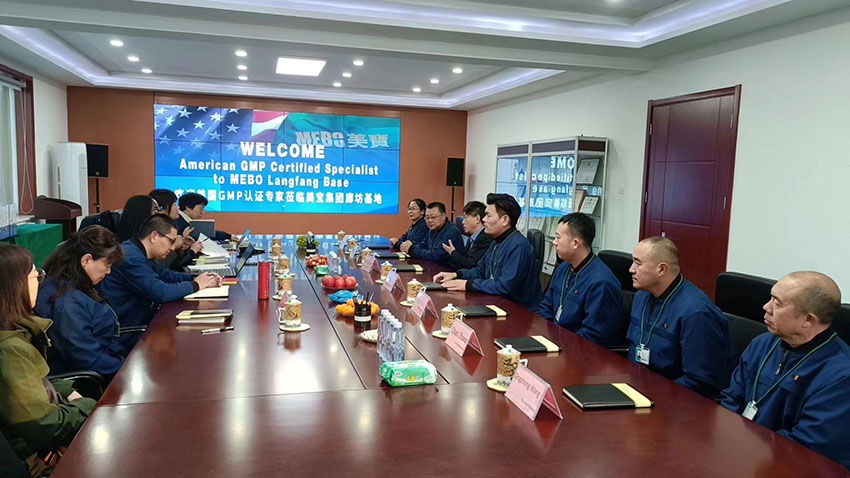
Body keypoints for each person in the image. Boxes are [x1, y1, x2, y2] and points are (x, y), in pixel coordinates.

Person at [721, 271, 850, 469]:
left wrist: (746, 448)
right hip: (744, 454)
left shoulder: (841, 375)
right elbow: (731, 399)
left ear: (808, 319)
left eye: (777, 303)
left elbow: (807, 445)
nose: (766, 307)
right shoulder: (762, 343)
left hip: (791, 466)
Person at [0, 244, 96, 476]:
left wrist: (66, 391)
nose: (40, 281)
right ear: (16, 285)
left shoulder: (14, 333)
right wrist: (87, 405)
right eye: (36, 276)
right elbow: (43, 425)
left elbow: (30, 385)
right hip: (36, 464)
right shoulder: (10, 349)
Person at [626, 236, 736, 398]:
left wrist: (654, 393)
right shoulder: (641, 296)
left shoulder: (696, 313)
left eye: (638, 263)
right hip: (638, 386)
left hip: (674, 398)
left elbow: (701, 382)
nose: (631, 269)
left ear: (661, 269)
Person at [100, 214, 220, 343]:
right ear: (154, 236)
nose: (173, 248)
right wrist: (196, 285)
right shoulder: (130, 257)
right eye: (171, 241)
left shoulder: (140, 252)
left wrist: (199, 278)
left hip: (146, 318)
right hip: (131, 329)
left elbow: (166, 275)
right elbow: (160, 292)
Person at [34, 226, 127, 378]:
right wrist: (126, 367)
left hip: (100, 362)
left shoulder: (67, 282)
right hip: (84, 378)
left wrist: (124, 357)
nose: (108, 272)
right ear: (86, 260)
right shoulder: (68, 303)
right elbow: (88, 359)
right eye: (107, 265)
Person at [434, 193, 542, 310]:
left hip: (518, 311)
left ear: (504, 220)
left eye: (488, 216)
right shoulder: (496, 241)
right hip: (496, 304)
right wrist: (457, 275)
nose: (484, 220)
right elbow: (481, 270)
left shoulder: (519, 246)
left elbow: (504, 286)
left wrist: (467, 284)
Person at [536, 213, 623, 346]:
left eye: (558, 237)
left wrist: (559, 343)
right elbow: (545, 307)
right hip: (553, 342)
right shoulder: (563, 268)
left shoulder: (601, 282)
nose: (554, 242)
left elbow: (593, 335)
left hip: (578, 350)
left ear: (575, 243)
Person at [149, 189, 203, 270]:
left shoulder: (171, 227)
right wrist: (175, 247)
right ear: (162, 210)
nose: (178, 207)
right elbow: (163, 267)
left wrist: (182, 248)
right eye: (174, 205)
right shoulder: (156, 232)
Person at [400, 202, 465, 267]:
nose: (430, 221)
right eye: (427, 217)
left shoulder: (451, 232)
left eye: (433, 217)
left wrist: (411, 249)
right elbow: (423, 244)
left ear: (443, 216)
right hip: (433, 266)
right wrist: (410, 247)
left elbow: (434, 255)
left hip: (448, 270)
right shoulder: (433, 229)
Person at [442, 200, 493, 271]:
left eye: (465, 218)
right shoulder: (472, 237)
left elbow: (470, 264)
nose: (463, 222)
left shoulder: (485, 238)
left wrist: (452, 252)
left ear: (477, 219)